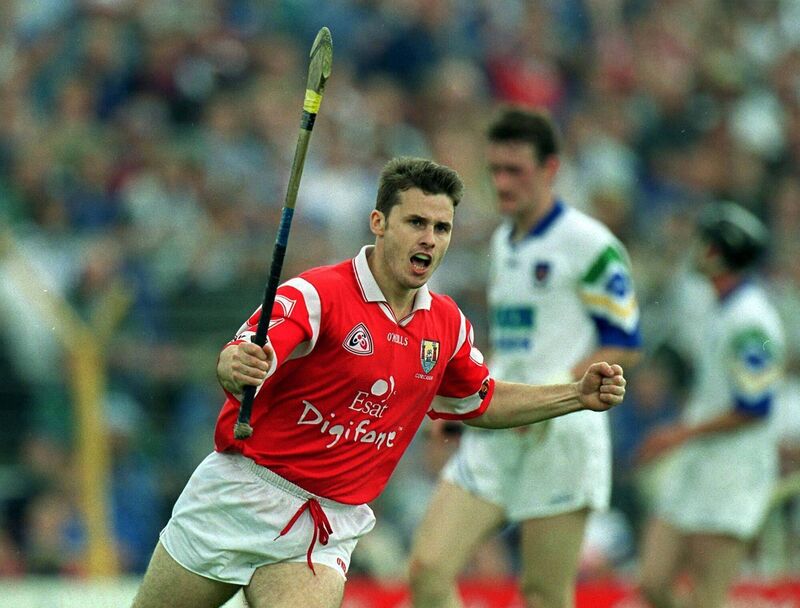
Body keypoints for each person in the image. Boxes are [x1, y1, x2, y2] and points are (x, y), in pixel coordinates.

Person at [131, 157, 628, 608]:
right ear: (379, 223)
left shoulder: (448, 325)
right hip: (240, 496)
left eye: (441, 227)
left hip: (323, 528)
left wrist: (575, 395)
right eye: (416, 223)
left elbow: (482, 401)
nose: (429, 239)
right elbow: (244, 356)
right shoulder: (317, 293)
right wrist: (238, 366)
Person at [408, 108, 642, 608]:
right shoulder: (502, 242)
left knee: (543, 593)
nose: (502, 182)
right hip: (501, 423)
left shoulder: (590, 244)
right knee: (428, 570)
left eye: (515, 170)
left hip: (562, 433)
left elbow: (623, 340)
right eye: (495, 170)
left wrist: (552, 394)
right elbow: (514, 345)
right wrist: (460, 405)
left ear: (550, 169)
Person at [636, 202, 785, 608]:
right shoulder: (721, 311)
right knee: (653, 581)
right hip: (698, 464)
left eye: (702, 242)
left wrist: (677, 434)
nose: (694, 250)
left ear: (718, 253)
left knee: (709, 597)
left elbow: (754, 405)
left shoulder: (752, 322)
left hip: (732, 473)